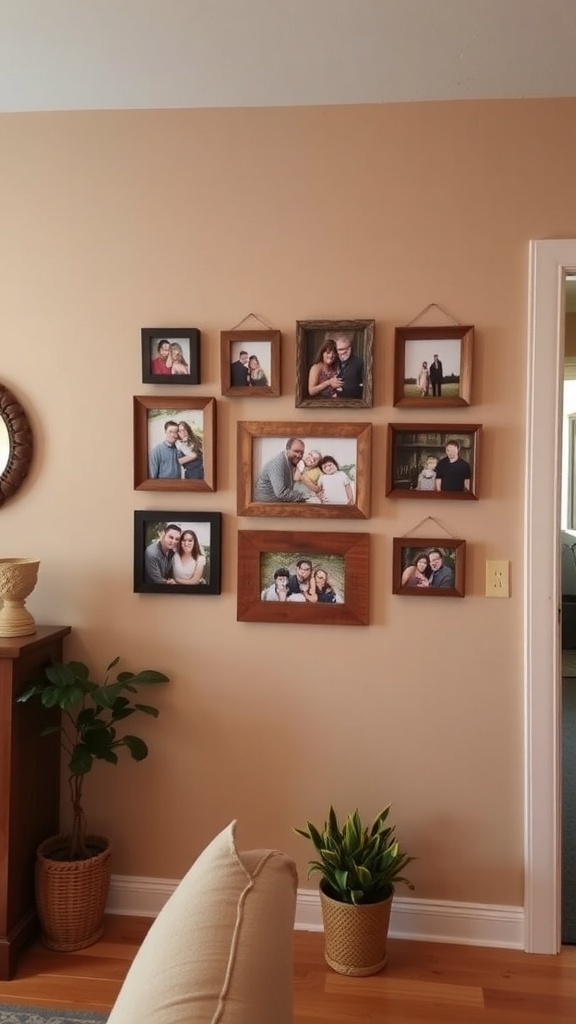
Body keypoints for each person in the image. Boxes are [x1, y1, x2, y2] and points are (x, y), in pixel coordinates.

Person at [253, 438, 309, 502]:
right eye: (296, 451)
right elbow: (280, 493)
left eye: (301, 453)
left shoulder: (291, 461)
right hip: (265, 502)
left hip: (277, 500)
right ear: (287, 448)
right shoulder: (277, 463)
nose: (299, 455)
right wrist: (304, 496)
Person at [333, 332, 364, 399]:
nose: (343, 352)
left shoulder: (359, 363)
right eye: (340, 349)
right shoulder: (334, 362)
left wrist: (343, 392)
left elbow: (364, 387)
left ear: (350, 348)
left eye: (345, 349)